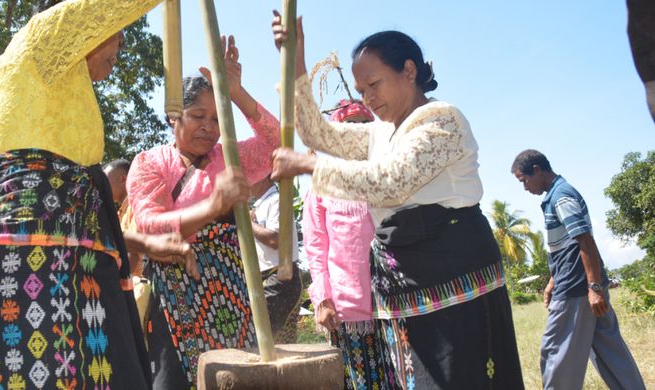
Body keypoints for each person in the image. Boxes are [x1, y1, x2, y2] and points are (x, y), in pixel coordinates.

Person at [272, 15, 524, 389]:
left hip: (454, 281)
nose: (368, 99)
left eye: (374, 84)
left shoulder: (441, 120)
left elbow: (391, 182)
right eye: (361, 91)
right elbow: (316, 132)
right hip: (404, 287)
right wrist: (295, 59)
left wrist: (309, 165)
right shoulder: (380, 132)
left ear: (409, 71)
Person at [0, 1, 190, 388]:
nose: (120, 39)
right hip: (26, 268)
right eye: (114, 28)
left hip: (82, 273)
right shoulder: (41, 41)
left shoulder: (65, 81)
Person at [127, 35, 280, 389]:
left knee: (232, 379)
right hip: (174, 296)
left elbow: (277, 143)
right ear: (173, 117)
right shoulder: (150, 163)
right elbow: (150, 225)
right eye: (198, 116)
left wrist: (236, 92)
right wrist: (212, 206)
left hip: (233, 294)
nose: (209, 127)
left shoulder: (227, 156)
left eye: (216, 117)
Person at [511, 149, 645, 390]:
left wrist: (593, 287)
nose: (525, 188)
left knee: (555, 351)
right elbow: (568, 246)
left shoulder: (560, 196)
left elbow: (585, 240)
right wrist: (553, 280)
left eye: (524, 180)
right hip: (582, 284)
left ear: (538, 170)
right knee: (610, 351)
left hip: (576, 288)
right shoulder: (558, 193)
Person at [302, 99, 385, 390]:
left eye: (367, 125)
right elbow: (315, 245)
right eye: (352, 126)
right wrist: (323, 300)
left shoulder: (388, 175)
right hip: (347, 312)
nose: (360, 132)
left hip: (393, 302)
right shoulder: (322, 184)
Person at [249, 176, 302, 343]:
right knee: (277, 346)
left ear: (262, 177)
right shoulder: (260, 205)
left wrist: (246, 223)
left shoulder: (277, 201)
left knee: (264, 342)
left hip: (280, 279)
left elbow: (275, 239)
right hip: (269, 278)